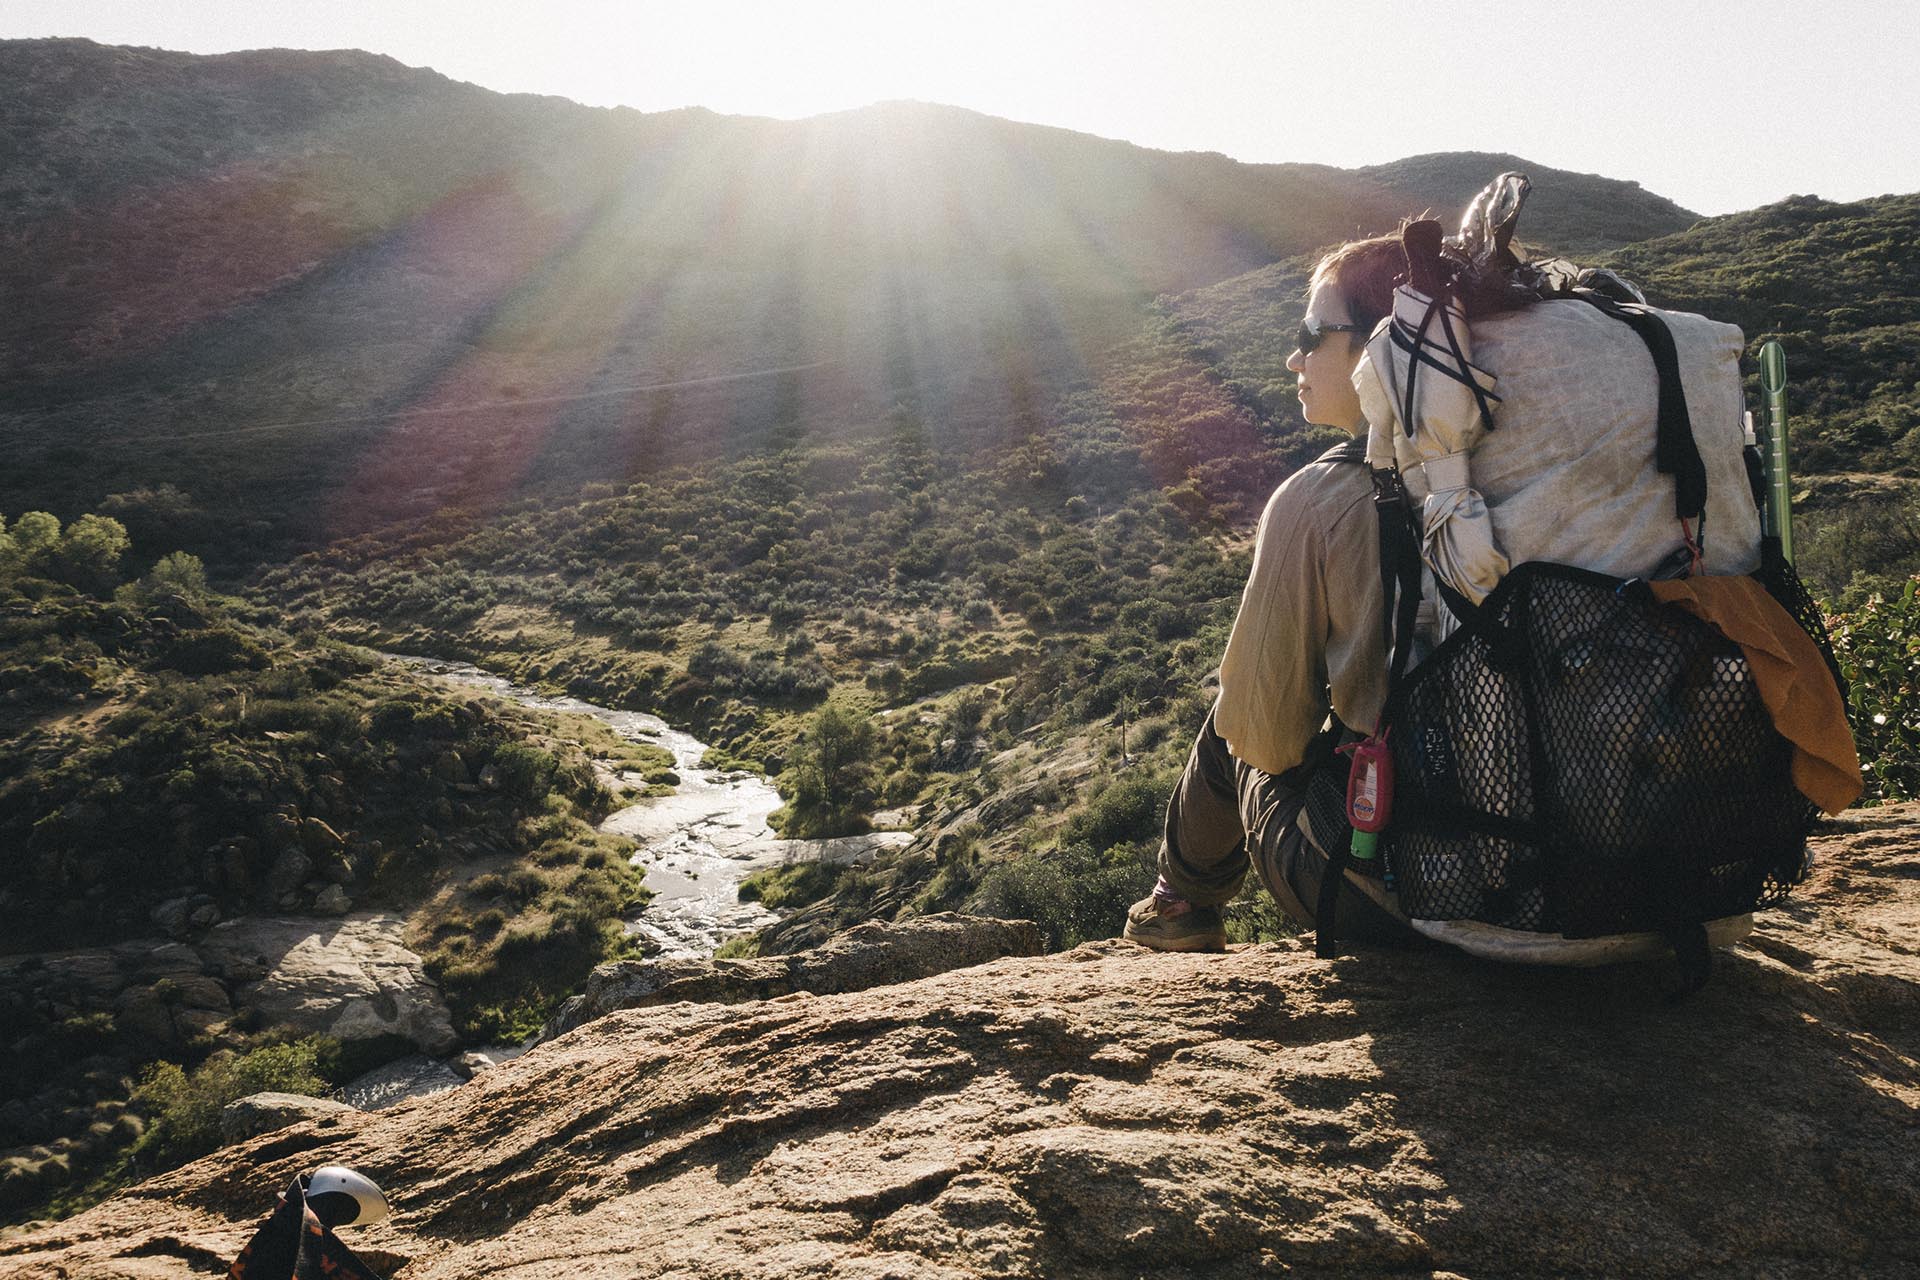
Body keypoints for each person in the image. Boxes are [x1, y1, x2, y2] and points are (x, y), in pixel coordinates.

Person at [1123, 234, 1421, 952]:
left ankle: (1180, 905)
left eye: (1312, 335)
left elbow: (1265, 736)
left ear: (1378, 346)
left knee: (1240, 709)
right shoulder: (1522, 478)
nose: (1294, 357)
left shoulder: (1322, 498)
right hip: (1596, 883)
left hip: (1387, 899)